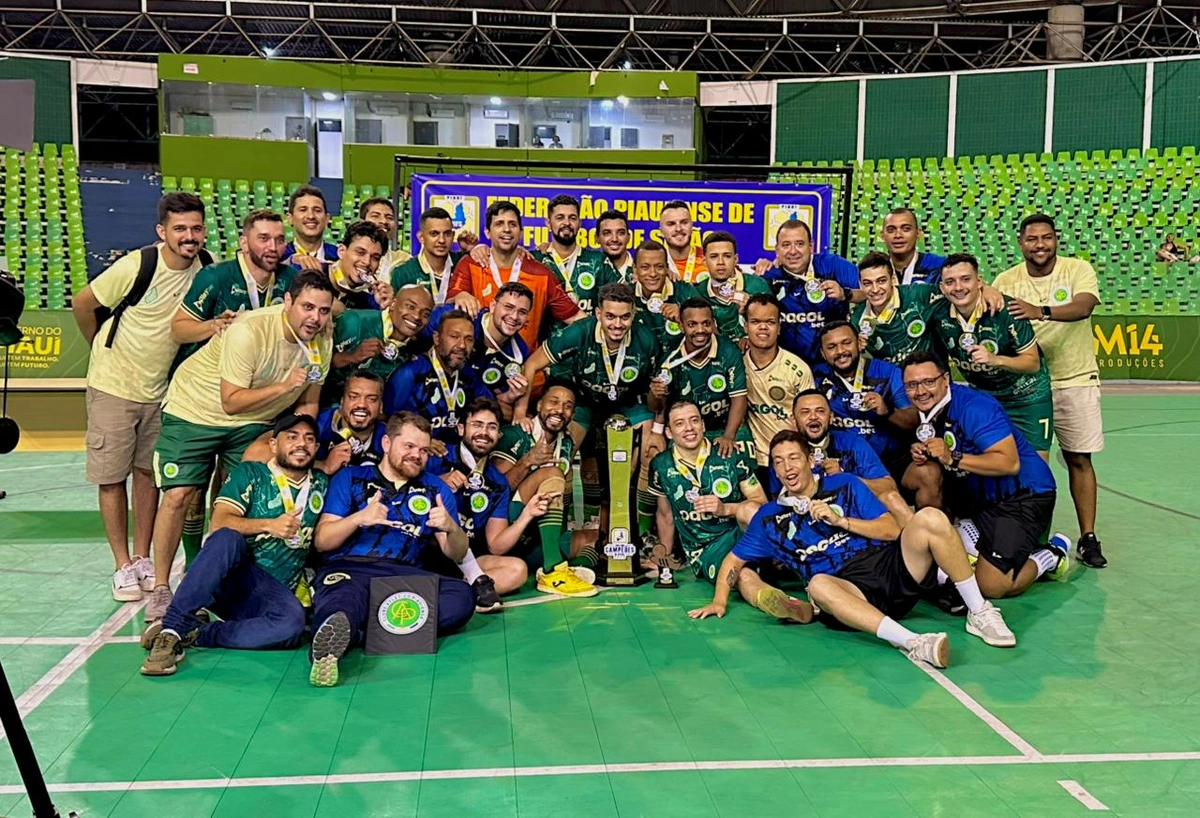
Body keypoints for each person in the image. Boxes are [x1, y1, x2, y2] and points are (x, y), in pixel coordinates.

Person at [689, 430, 1017, 667]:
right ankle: (913, 642)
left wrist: (842, 521)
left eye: (793, 458)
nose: (787, 468)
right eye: (778, 462)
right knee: (817, 585)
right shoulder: (769, 518)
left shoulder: (845, 484)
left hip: (890, 568)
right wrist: (719, 601)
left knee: (930, 518)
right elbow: (733, 561)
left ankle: (979, 611)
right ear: (773, 470)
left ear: (809, 460)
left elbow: (892, 529)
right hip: (847, 592)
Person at [144, 270, 336, 622]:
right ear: (288, 302)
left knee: (246, 497)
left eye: (324, 311)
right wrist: (283, 387)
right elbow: (230, 401)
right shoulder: (249, 331)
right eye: (308, 307)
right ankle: (160, 587)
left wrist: (303, 448)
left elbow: (309, 402)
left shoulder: (322, 339)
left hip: (254, 421)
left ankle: (213, 576)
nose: (315, 318)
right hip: (195, 410)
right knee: (180, 495)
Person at [71, 192, 209, 602]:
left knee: (149, 475)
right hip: (114, 386)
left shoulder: (205, 267)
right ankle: (122, 566)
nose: (189, 236)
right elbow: (83, 304)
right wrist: (100, 348)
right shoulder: (138, 265)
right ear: (161, 231)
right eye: (180, 229)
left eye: (196, 228)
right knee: (112, 477)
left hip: (163, 391)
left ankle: (143, 558)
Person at [139, 414, 327, 676]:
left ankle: (197, 633)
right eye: (292, 437)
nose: (301, 444)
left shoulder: (322, 483)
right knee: (227, 537)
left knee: (291, 626)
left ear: (316, 448)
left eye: (309, 439)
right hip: (231, 578)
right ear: (274, 445)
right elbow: (219, 523)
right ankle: (171, 630)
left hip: (270, 594)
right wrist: (268, 525)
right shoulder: (250, 473)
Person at [309, 412, 474, 687]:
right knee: (343, 600)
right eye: (408, 446)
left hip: (402, 577)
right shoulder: (351, 477)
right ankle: (330, 647)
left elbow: (456, 553)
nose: (416, 455)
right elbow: (322, 541)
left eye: (423, 450)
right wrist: (359, 518)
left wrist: (451, 528)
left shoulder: (436, 489)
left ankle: (356, 632)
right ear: (386, 443)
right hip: (350, 568)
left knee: (462, 596)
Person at [900, 352, 1067, 599]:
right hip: (978, 492)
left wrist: (951, 457)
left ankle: (1051, 555)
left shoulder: (975, 407)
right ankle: (964, 530)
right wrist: (924, 451)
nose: (920, 391)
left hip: (1021, 496)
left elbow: (1009, 463)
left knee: (992, 586)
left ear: (945, 379)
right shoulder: (928, 410)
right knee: (922, 473)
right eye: (912, 385)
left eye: (928, 382)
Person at [993, 214, 1107, 567]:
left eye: (1046, 237)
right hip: (1025, 388)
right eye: (1032, 239)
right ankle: (1030, 535)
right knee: (1026, 464)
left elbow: (1084, 306)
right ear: (1021, 242)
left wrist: (1039, 311)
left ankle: (1088, 538)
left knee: (1079, 459)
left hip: (1073, 378)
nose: (1039, 245)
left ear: (1056, 238)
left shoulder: (1077, 269)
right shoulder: (1006, 280)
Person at [514, 283, 664, 535]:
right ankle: (556, 533)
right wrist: (520, 412)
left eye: (625, 317)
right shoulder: (578, 332)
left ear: (633, 314)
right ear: (598, 313)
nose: (618, 324)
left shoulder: (646, 339)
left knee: (651, 451)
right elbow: (531, 365)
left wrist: (658, 427)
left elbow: (657, 389)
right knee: (559, 456)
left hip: (627, 402)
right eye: (610, 316)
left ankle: (642, 535)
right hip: (584, 400)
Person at [427, 397, 558, 611]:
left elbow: (496, 545)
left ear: (498, 434)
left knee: (518, 570)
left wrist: (527, 514)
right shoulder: (437, 457)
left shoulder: (497, 482)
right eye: (477, 425)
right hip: (428, 551)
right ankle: (455, 591)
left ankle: (456, 590)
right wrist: (437, 482)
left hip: (465, 560)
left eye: (492, 427)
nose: (484, 433)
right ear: (461, 428)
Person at [931, 254, 1054, 457]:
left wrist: (994, 360)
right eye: (950, 282)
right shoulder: (938, 313)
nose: (958, 287)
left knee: (1036, 464)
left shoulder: (1008, 310)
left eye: (966, 279)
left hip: (1027, 397)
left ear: (979, 281)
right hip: (985, 397)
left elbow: (1033, 363)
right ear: (942, 288)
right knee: (990, 461)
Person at [650, 401, 776, 589]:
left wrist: (725, 509)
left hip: (740, 535)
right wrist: (664, 564)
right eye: (679, 423)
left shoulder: (729, 453)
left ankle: (774, 563)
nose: (689, 428)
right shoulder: (661, 466)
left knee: (750, 509)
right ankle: (773, 598)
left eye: (694, 420)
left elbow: (762, 505)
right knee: (742, 576)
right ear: (669, 432)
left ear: (703, 425)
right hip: (706, 549)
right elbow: (665, 515)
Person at [492, 380, 598, 596]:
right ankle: (553, 571)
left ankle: (568, 566)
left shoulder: (566, 443)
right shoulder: (514, 434)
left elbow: (557, 497)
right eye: (554, 402)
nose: (559, 410)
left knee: (593, 540)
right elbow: (495, 491)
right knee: (551, 474)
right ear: (539, 405)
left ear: (572, 414)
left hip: (535, 537)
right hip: (508, 528)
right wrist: (527, 461)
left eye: (567, 406)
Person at [447, 200, 581, 347]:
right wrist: (459, 296)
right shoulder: (470, 264)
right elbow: (448, 305)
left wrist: (599, 329)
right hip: (478, 360)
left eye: (512, 224)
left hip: (525, 361)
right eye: (499, 224)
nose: (507, 229)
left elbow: (575, 316)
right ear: (487, 232)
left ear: (521, 232)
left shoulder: (541, 273)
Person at [171, 208, 292, 367]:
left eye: (280, 240)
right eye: (264, 239)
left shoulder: (291, 279)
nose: (273, 247)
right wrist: (213, 325)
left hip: (254, 371)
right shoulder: (215, 276)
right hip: (205, 375)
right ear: (244, 243)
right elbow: (178, 330)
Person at [813, 321, 917, 479]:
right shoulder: (815, 377)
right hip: (838, 463)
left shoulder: (887, 372)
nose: (840, 351)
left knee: (927, 474)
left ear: (859, 343)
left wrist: (887, 411)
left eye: (846, 343)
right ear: (822, 352)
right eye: (831, 347)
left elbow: (913, 420)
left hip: (888, 461)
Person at [382, 309, 495, 454]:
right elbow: (387, 421)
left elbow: (490, 409)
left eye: (469, 339)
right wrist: (420, 440)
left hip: (455, 455)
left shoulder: (469, 376)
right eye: (454, 336)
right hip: (415, 454)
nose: (462, 345)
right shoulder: (411, 373)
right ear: (436, 338)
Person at [791, 389, 911, 525]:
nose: (813, 417)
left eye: (820, 411)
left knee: (892, 498)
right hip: (810, 521)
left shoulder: (853, 443)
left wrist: (846, 478)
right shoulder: (785, 452)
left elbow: (889, 487)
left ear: (831, 417)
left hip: (854, 517)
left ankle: (918, 536)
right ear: (793, 419)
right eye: (805, 412)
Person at [654, 298, 750, 457]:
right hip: (688, 429)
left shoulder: (728, 350)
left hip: (725, 425)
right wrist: (655, 394)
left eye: (706, 323)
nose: (700, 330)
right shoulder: (670, 359)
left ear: (713, 323)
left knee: (737, 458)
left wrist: (728, 436)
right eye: (692, 324)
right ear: (681, 326)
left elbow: (739, 398)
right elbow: (657, 407)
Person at [243, 369, 388, 475]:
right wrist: (323, 465)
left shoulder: (388, 437)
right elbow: (255, 453)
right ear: (342, 401)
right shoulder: (315, 423)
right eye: (354, 397)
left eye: (371, 399)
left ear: (381, 406)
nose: (361, 405)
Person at [760, 219, 859, 364]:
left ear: (811, 246)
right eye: (786, 245)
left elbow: (871, 293)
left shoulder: (832, 265)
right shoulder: (768, 277)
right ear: (777, 250)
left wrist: (846, 294)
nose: (793, 251)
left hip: (834, 364)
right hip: (786, 366)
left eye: (800, 244)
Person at [742, 294, 814, 486]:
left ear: (779, 328)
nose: (763, 327)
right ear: (746, 326)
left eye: (770, 322)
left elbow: (809, 418)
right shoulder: (736, 364)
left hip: (790, 462)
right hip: (755, 461)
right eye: (756, 322)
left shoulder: (798, 369)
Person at [327, 283, 434, 402]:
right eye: (410, 307)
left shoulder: (412, 351)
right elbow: (316, 364)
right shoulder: (355, 321)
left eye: (425, 314)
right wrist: (351, 356)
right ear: (393, 303)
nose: (417, 316)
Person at [850, 251, 941, 365]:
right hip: (890, 376)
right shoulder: (857, 319)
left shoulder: (919, 295)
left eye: (881, 281)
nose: (875, 289)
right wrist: (859, 352)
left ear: (892, 279)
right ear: (860, 284)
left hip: (928, 374)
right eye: (867, 283)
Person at [531, 195, 609, 315]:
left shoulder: (598, 261)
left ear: (579, 223)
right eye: (560, 218)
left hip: (586, 327)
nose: (567, 223)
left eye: (572, 218)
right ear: (548, 223)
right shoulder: (534, 260)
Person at [697, 230, 771, 342]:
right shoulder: (697, 292)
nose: (720, 262)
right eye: (714, 256)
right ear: (704, 261)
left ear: (736, 259)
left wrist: (752, 310)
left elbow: (774, 326)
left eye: (727, 256)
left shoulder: (758, 285)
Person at [468, 281, 533, 408]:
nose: (514, 316)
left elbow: (496, 401)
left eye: (522, 312)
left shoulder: (520, 354)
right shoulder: (470, 320)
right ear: (493, 306)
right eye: (508, 307)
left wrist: (509, 396)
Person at [629, 239, 699, 347]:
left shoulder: (686, 292)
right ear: (634, 268)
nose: (653, 274)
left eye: (659, 267)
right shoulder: (626, 295)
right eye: (645, 267)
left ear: (667, 268)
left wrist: (684, 317)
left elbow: (711, 332)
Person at [390, 206, 463, 305]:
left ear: (453, 236)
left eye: (447, 234)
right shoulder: (403, 273)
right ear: (421, 237)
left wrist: (474, 248)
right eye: (434, 234)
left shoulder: (462, 263)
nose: (442, 240)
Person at [324, 220, 394, 314]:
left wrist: (385, 309)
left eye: (375, 258)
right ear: (341, 251)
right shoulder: (312, 276)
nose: (367, 262)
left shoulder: (371, 302)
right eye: (360, 253)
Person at [880, 208, 946, 285]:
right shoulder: (872, 270)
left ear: (918, 234)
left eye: (906, 229)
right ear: (882, 235)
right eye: (891, 230)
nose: (898, 235)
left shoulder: (940, 265)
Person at [282, 184, 338, 271]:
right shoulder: (280, 256)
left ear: (327, 219)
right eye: (303, 210)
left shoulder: (340, 257)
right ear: (290, 218)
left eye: (317, 210)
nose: (311, 216)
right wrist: (288, 262)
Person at [359, 196, 412, 282]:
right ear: (362, 222)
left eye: (389, 218)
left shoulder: (404, 260)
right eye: (375, 216)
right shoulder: (349, 257)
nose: (384, 221)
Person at [658, 200, 707, 284]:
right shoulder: (655, 265)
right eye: (671, 224)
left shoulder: (709, 259)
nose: (678, 228)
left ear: (692, 227)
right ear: (661, 232)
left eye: (684, 222)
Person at [597, 209, 633, 282]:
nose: (614, 239)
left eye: (621, 233)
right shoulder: (591, 270)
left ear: (628, 237)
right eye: (607, 233)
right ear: (597, 238)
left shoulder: (640, 270)